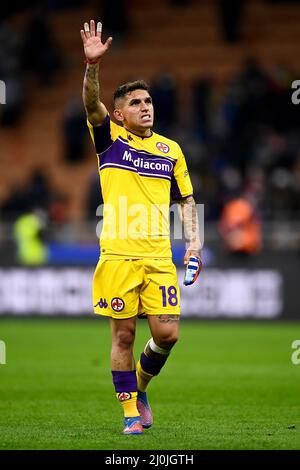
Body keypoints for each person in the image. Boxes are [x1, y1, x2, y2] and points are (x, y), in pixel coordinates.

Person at [80, 20, 202, 435]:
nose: (146, 106)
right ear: (119, 113)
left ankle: (143, 386)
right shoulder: (109, 139)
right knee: (124, 336)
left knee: (168, 335)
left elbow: (186, 200)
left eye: (148, 100)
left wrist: (194, 244)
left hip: (157, 255)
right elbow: (90, 100)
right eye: (135, 102)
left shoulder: (171, 150)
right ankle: (130, 412)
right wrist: (91, 66)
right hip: (117, 255)